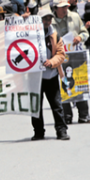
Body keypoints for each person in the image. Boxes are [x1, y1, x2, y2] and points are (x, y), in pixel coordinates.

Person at [51, 0, 90, 124]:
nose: (64, 10)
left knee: (80, 83)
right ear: (55, 9)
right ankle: (67, 116)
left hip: (76, 55)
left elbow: (84, 32)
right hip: (59, 57)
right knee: (63, 85)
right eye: (61, 7)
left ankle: (84, 115)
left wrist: (80, 37)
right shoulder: (50, 21)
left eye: (66, 7)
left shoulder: (74, 16)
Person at [31, 8, 70, 140]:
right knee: (35, 107)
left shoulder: (55, 35)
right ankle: (38, 132)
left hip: (50, 75)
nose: (47, 21)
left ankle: (61, 131)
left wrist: (51, 62)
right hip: (34, 77)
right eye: (44, 19)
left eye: (49, 19)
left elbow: (61, 54)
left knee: (57, 106)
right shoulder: (29, 34)